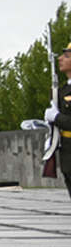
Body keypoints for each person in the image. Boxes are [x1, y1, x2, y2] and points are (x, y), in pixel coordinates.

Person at [52, 41, 71, 199]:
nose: (60, 59)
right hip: (67, 151)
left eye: (67, 56)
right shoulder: (64, 89)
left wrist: (56, 117)